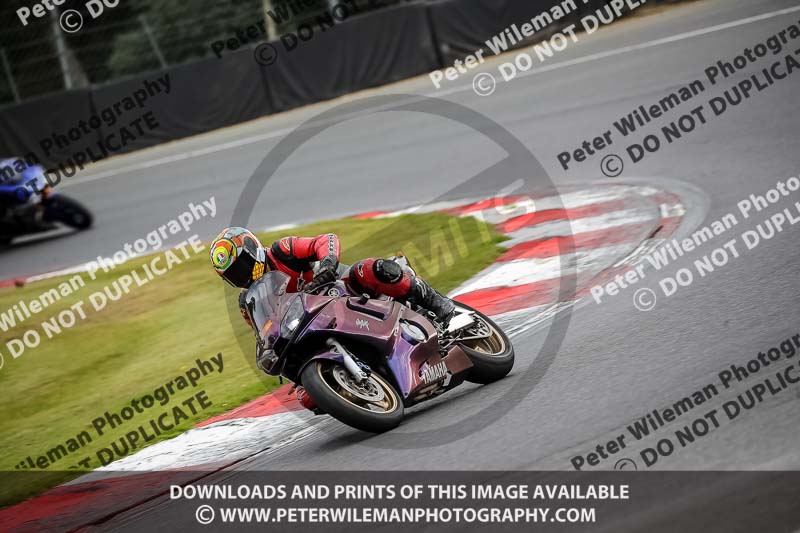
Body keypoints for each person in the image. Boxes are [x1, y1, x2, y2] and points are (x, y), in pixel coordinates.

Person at [209, 226, 456, 331]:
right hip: (313, 324)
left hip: (340, 289)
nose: (241, 276)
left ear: (252, 250)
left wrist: (327, 264)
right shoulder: (248, 303)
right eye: (233, 275)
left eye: (241, 266)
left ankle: (435, 302)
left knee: (371, 269)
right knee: (306, 396)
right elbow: (265, 335)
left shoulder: (281, 251)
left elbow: (325, 240)